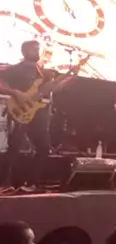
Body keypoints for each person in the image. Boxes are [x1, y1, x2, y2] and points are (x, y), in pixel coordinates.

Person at [0, 40, 74, 189]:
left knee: (44, 148)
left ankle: (30, 182)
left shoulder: (42, 72)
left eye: (38, 48)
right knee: (14, 147)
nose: (37, 51)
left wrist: (72, 78)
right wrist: (15, 92)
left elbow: (54, 89)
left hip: (38, 113)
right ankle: (4, 183)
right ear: (24, 51)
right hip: (19, 110)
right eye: (34, 49)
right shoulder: (14, 69)